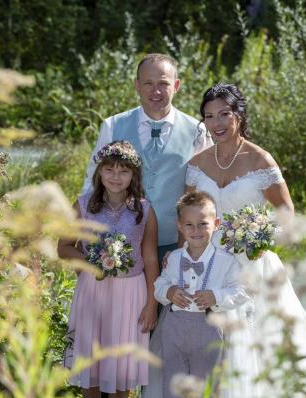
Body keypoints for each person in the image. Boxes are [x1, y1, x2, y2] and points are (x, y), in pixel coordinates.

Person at [184, 83, 306, 398]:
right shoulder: (197, 164)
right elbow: (192, 213)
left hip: (254, 268)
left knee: (256, 354)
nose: (217, 122)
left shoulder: (261, 160)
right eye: (209, 115)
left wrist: (256, 235)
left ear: (238, 114)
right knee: (215, 355)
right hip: (211, 267)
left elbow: (286, 214)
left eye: (224, 113)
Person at [58, 140, 159, 398]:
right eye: (109, 169)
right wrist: (90, 264)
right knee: (92, 357)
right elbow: (64, 246)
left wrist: (152, 303)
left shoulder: (143, 209)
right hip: (93, 290)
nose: (116, 176)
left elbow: (151, 258)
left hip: (131, 292)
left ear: (133, 175)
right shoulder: (84, 204)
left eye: (123, 171)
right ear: (99, 171)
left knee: (122, 361)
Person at [82, 53, 212, 263]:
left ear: (176, 85)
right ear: (137, 85)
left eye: (163, 83)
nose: (156, 91)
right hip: (118, 242)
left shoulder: (198, 131)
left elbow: (207, 190)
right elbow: (92, 180)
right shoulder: (112, 125)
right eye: (148, 83)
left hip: (177, 242)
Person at [151, 191, 249, 398]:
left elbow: (242, 291)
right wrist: (169, 291)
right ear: (180, 227)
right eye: (190, 225)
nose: (196, 231)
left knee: (207, 388)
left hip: (209, 327)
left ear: (215, 224)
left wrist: (216, 296)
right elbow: (158, 285)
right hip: (175, 327)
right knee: (174, 387)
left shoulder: (227, 260)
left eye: (203, 224)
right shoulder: (173, 259)